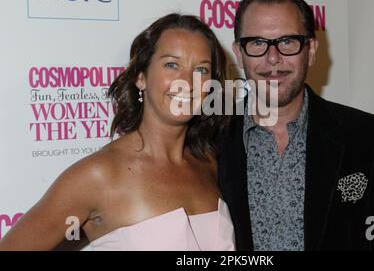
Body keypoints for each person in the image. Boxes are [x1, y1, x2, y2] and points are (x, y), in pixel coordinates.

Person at [0, 14, 235, 251]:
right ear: (141, 77)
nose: (187, 82)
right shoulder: (98, 175)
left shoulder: (209, 163)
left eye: (202, 70)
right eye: (171, 65)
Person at [217, 0, 374, 251]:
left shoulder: (365, 136)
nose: (273, 58)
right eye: (257, 43)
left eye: (288, 41)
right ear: (239, 53)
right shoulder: (211, 139)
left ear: (311, 50)